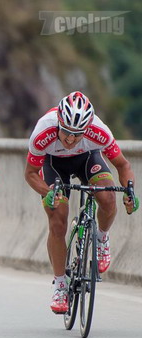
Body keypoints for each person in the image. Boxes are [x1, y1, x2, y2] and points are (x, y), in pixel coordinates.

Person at [24, 91, 138, 314]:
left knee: (107, 197)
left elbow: (123, 166)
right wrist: (47, 192)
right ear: (59, 122)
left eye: (77, 134)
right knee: (58, 219)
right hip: (54, 164)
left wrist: (130, 192)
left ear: (87, 128)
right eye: (66, 131)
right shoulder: (43, 131)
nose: (69, 139)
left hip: (87, 158)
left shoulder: (99, 131)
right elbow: (30, 173)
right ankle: (60, 284)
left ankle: (101, 238)